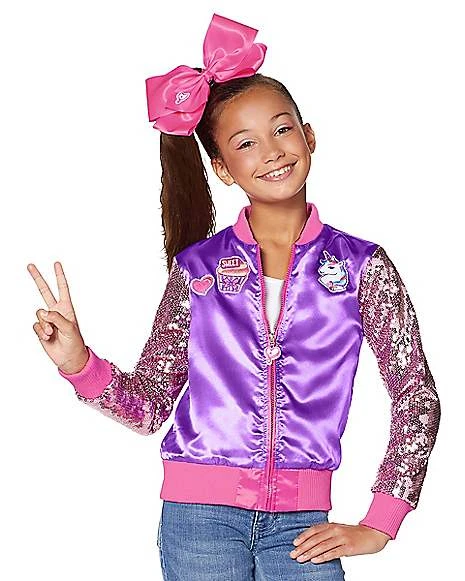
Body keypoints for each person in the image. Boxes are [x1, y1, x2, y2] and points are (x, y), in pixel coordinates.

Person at [27, 13, 441, 581]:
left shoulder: (361, 267)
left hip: (303, 525)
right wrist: (78, 363)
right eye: (246, 143)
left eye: (282, 130)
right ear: (222, 168)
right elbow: (149, 405)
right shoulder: (197, 271)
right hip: (198, 521)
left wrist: (382, 520)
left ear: (309, 136)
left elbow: (416, 396)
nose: (271, 151)